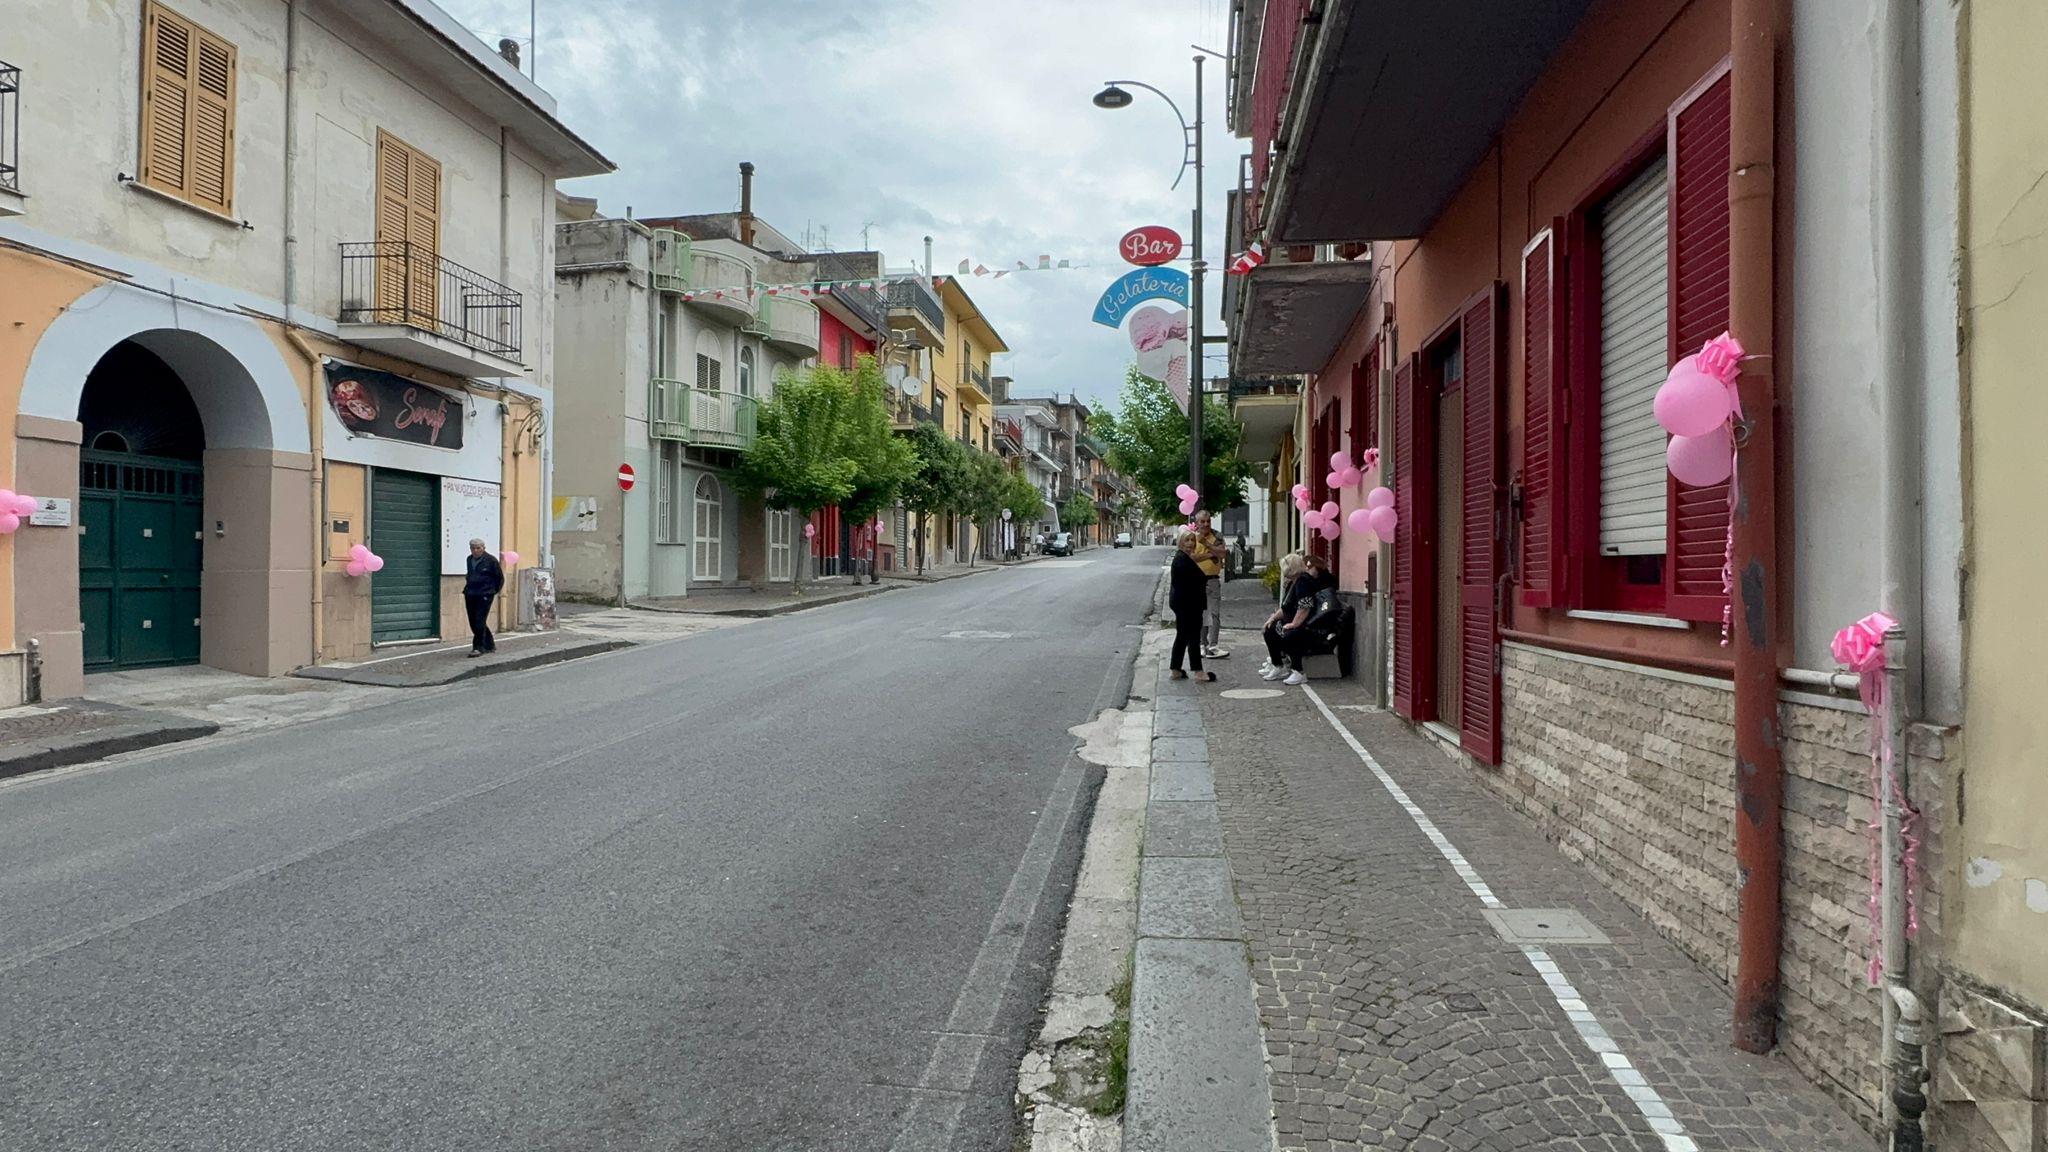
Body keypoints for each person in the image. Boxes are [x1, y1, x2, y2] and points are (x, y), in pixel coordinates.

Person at [1260, 552, 1336, 685]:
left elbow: (1305, 606)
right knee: (1269, 629)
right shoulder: (1294, 583)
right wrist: (1272, 619)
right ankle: (1278, 665)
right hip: (1301, 625)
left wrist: (1294, 624)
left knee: (1290, 635)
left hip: (1311, 628)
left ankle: (1298, 671)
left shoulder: (1302, 582)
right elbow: (1286, 608)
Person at [1168, 533, 1215, 681]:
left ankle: (1176, 669)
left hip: (1182, 602)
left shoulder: (1182, 558)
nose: (1190, 543)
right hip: (1189, 604)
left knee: (1182, 635)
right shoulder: (1182, 560)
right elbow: (1189, 583)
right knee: (1193, 636)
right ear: (1180, 542)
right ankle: (1198, 671)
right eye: (1186, 540)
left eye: (1192, 540)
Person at [1188, 509, 1230, 659]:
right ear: (1197, 523)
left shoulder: (1217, 535)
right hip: (1196, 581)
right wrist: (1211, 554)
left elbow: (1223, 553)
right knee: (1200, 615)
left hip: (1213, 580)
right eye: (1202, 521)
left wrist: (1207, 544)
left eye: (1208, 521)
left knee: (1214, 614)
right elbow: (1190, 557)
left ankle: (1213, 645)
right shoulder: (1191, 537)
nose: (1206, 524)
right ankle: (1201, 645)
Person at [464, 538, 504, 657]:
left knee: (479, 620)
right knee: (473, 621)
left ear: (483, 548)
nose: (475, 551)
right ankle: (490, 644)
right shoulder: (469, 559)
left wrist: (492, 591)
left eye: (478, 548)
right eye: (473, 548)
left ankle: (478, 647)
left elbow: (499, 578)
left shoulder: (491, 560)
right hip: (470, 593)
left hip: (485, 594)